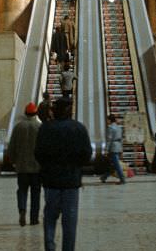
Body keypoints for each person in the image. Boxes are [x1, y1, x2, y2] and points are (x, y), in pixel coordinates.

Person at [35, 96, 92, 251]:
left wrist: (48, 166)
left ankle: (49, 246)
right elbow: (87, 154)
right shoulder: (79, 128)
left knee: (50, 218)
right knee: (70, 221)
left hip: (51, 181)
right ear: (70, 111)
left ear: (54, 111)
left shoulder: (45, 128)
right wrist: (76, 166)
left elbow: (38, 154)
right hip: (71, 182)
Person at [8, 102, 42, 226]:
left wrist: (13, 161)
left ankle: (22, 210)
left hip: (22, 166)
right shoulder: (40, 127)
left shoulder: (18, 127)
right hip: (37, 168)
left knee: (22, 190)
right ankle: (34, 218)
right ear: (36, 113)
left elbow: (12, 146)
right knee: (35, 193)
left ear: (25, 113)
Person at [100, 114, 125, 184]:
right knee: (113, 165)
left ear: (110, 120)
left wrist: (106, 150)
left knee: (116, 164)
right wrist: (121, 149)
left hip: (113, 147)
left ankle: (122, 179)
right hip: (118, 146)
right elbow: (121, 138)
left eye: (107, 120)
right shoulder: (119, 127)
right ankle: (104, 177)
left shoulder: (110, 128)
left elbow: (109, 139)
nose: (107, 121)